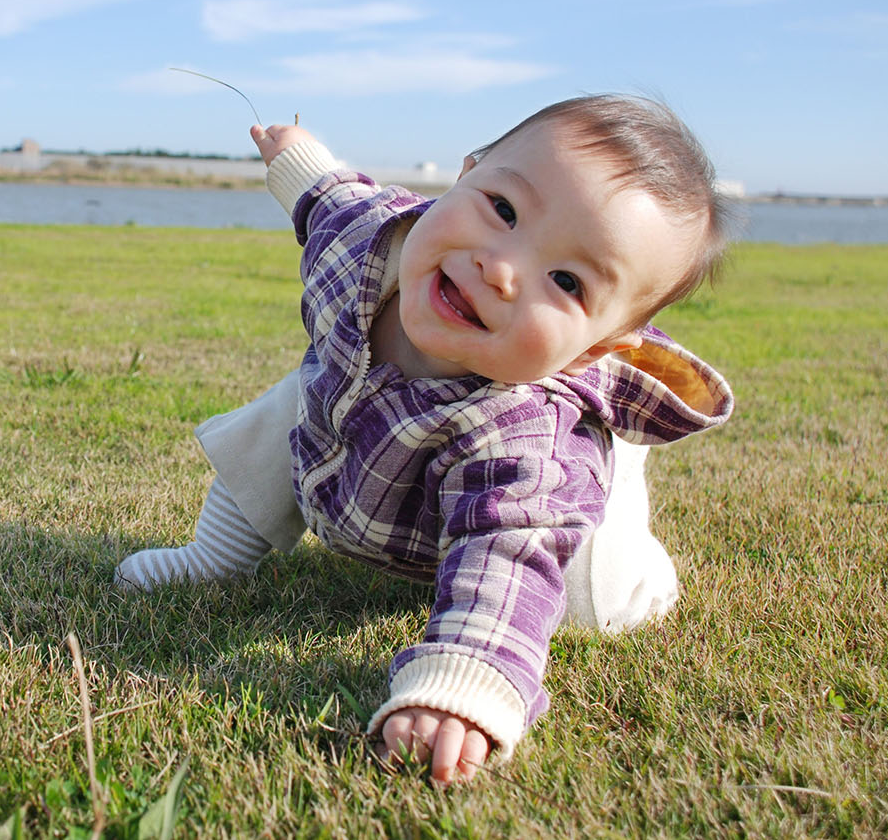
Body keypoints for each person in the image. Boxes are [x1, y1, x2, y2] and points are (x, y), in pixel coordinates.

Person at [115, 95, 735, 784]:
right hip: (351, 419)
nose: (499, 268)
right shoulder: (370, 244)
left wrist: (461, 691)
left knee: (594, 602)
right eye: (503, 208)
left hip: (541, 503)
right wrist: (292, 153)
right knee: (285, 405)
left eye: (565, 281)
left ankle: (619, 479)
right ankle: (216, 554)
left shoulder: (528, 445)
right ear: (466, 173)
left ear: (593, 350)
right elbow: (330, 197)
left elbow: (509, 561)